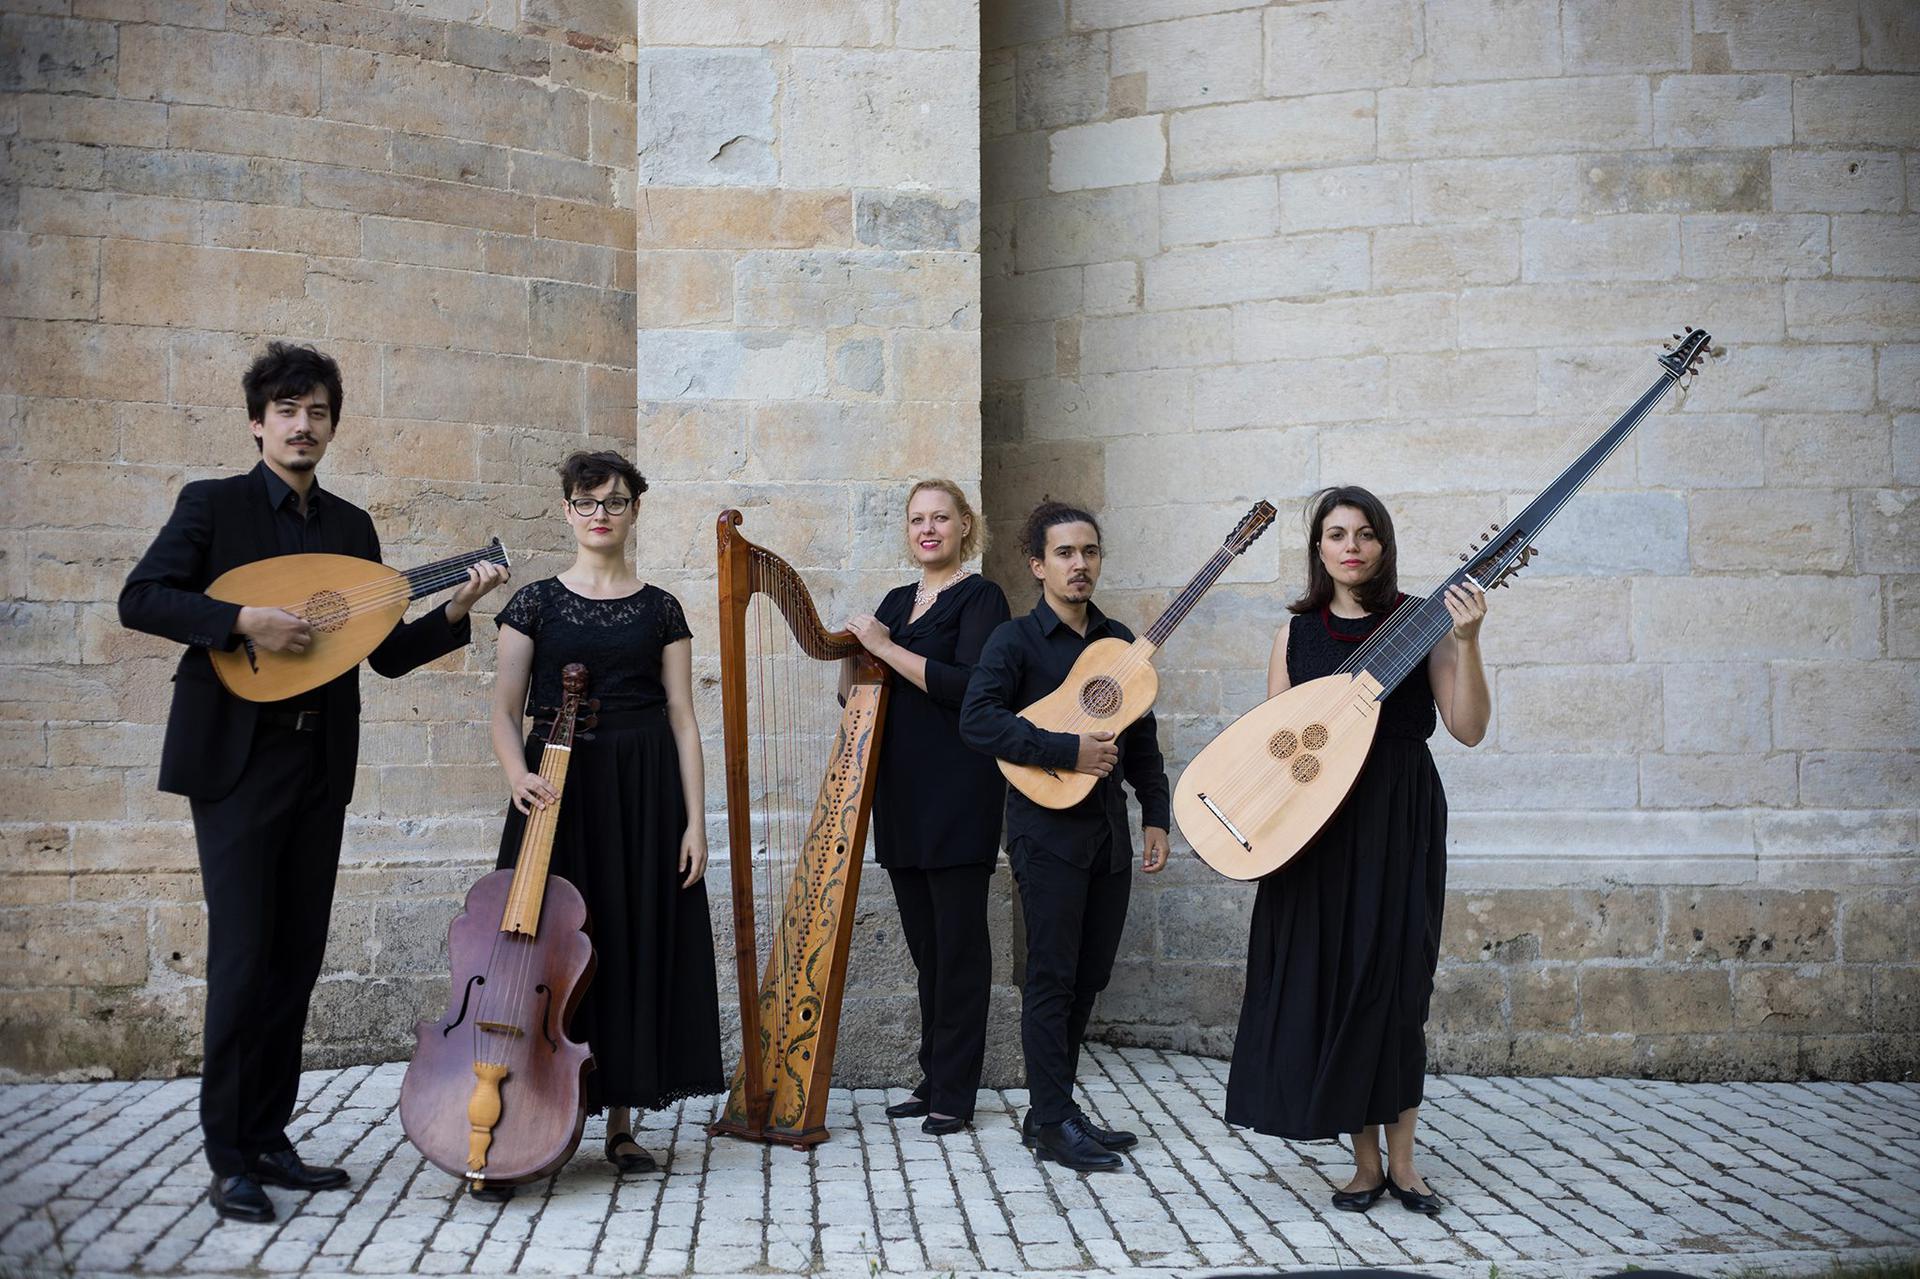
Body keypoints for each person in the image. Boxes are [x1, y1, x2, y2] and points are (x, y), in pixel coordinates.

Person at [119, 343, 509, 1224]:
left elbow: (384, 654)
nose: (303, 425)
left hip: (317, 763)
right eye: (288, 410)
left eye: (318, 411)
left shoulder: (351, 531)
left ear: (333, 426)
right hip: (237, 763)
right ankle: (229, 1154)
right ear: (259, 421)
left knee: (294, 958)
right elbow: (142, 598)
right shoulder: (211, 508)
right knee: (245, 955)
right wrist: (238, 620)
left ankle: (270, 1136)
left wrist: (457, 607)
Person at [1224, 486, 1490, 1215]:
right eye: (1336, 533)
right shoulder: (1296, 634)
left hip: (1398, 815)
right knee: (1334, 983)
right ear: (1318, 549)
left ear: (1383, 545)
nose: (1351, 545)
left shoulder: (1420, 622)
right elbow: (1275, 747)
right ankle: (1364, 1163)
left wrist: (1466, 640)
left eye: (1365, 533)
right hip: (1317, 828)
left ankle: (1405, 1163)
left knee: (1398, 984)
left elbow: (1467, 728)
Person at [489, 450, 722, 1190]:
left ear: (633, 512)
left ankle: (621, 1122)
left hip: (644, 788)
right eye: (588, 501)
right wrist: (517, 774)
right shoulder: (533, 602)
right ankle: (533, 1102)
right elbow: (503, 705)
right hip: (555, 788)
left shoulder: (662, 610)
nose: (601, 513)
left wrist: (697, 822)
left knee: (628, 939)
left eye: (616, 502)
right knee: (543, 950)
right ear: (566, 509)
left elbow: (684, 719)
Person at [959, 501, 1170, 1172]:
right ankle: (1051, 1120)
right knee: (1052, 977)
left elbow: (1142, 737)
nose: (1080, 564)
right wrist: (1064, 748)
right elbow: (979, 720)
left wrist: (1156, 812)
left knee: (1088, 977)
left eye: (1090, 551)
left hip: (1108, 835)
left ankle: (1055, 1106)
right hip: (1046, 832)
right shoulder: (1015, 642)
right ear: (1038, 565)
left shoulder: (1120, 641)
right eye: (1065, 553)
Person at [842, 480, 1011, 1136]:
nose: (929, 528)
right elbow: (860, 691)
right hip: (901, 790)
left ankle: (956, 1091)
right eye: (918, 519)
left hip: (959, 789)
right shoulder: (893, 602)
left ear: (966, 526)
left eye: (942, 517)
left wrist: (883, 647)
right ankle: (933, 1074)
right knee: (926, 947)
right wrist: (852, 653)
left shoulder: (981, 597)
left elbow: (970, 686)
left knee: (960, 946)